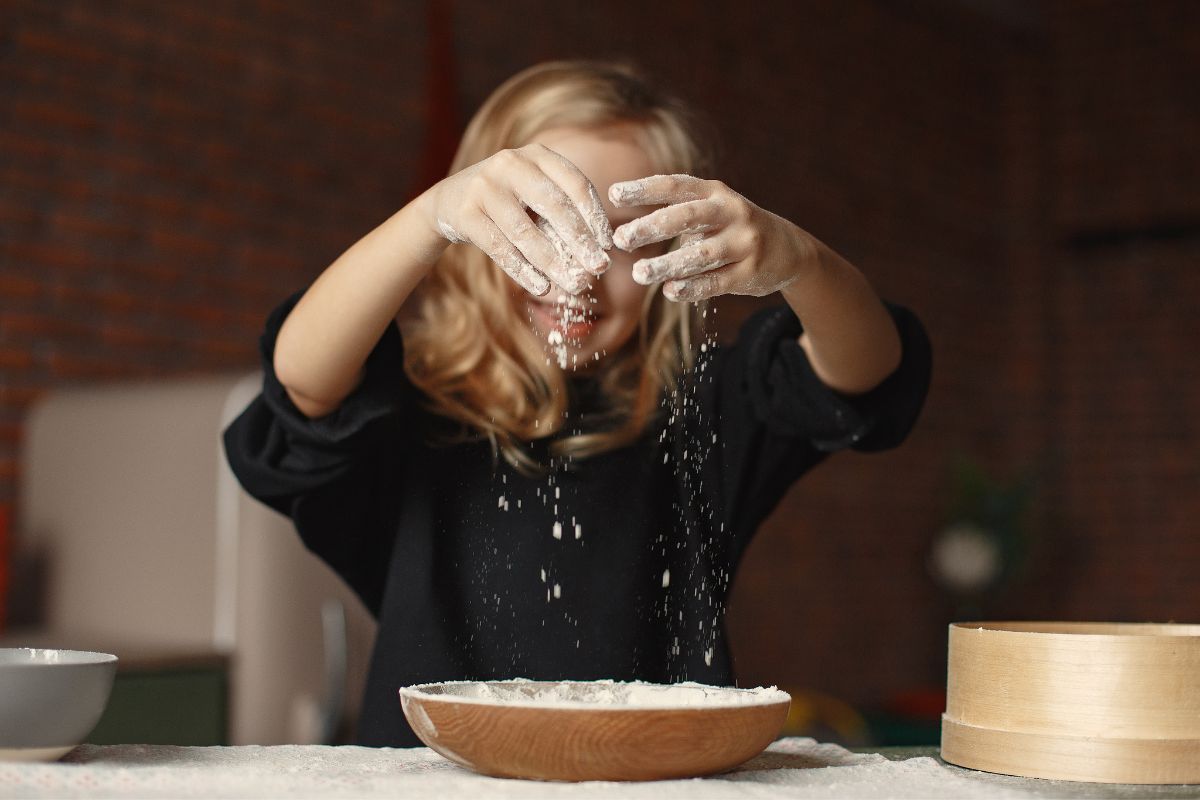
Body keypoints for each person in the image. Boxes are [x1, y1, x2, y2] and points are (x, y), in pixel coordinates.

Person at [223, 60, 931, 747]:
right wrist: (430, 216)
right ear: (477, 229)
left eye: (625, 237)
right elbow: (304, 384)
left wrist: (801, 261)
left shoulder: (705, 409)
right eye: (539, 221)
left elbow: (865, 375)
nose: (579, 272)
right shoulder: (411, 414)